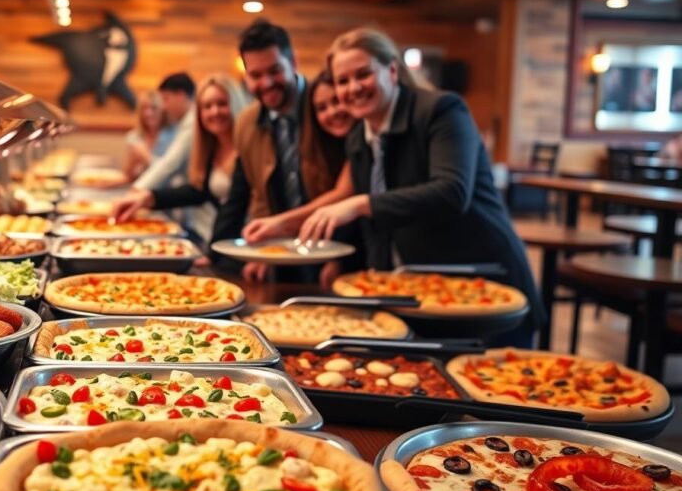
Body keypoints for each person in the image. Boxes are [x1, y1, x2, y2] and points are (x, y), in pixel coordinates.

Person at [297, 27, 542, 348]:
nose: (352, 88)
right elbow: (379, 227)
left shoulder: (441, 110)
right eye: (343, 81)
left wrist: (361, 204)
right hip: (419, 293)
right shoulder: (359, 136)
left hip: (481, 286)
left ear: (393, 71)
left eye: (363, 75)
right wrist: (368, 274)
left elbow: (452, 192)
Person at [209, 20, 338, 282]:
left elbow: (354, 184)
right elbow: (248, 193)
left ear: (294, 62)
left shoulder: (328, 106)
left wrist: (340, 259)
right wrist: (259, 252)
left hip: (334, 251)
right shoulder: (246, 122)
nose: (266, 83)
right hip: (283, 256)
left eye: (275, 71)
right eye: (255, 75)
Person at [242, 69, 364, 286]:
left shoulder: (363, 137)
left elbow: (344, 195)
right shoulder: (327, 141)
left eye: (336, 101)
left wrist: (277, 225)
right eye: (321, 108)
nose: (332, 112)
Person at [112, 75, 248, 243]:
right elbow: (198, 191)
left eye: (222, 104)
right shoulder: (211, 146)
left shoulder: (247, 148)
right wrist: (146, 197)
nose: (215, 111)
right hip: (217, 240)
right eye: (207, 106)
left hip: (243, 244)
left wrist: (213, 255)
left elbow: (236, 207)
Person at [131, 73, 197, 190]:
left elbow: (169, 165)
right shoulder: (184, 123)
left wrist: (136, 190)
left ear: (181, 95)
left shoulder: (192, 123)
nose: (164, 107)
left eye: (166, 99)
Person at [122, 90, 174, 180]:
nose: (148, 113)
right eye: (144, 109)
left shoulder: (174, 135)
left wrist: (146, 157)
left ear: (163, 111)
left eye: (153, 108)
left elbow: (170, 173)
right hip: (142, 187)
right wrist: (132, 165)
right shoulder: (133, 138)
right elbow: (129, 176)